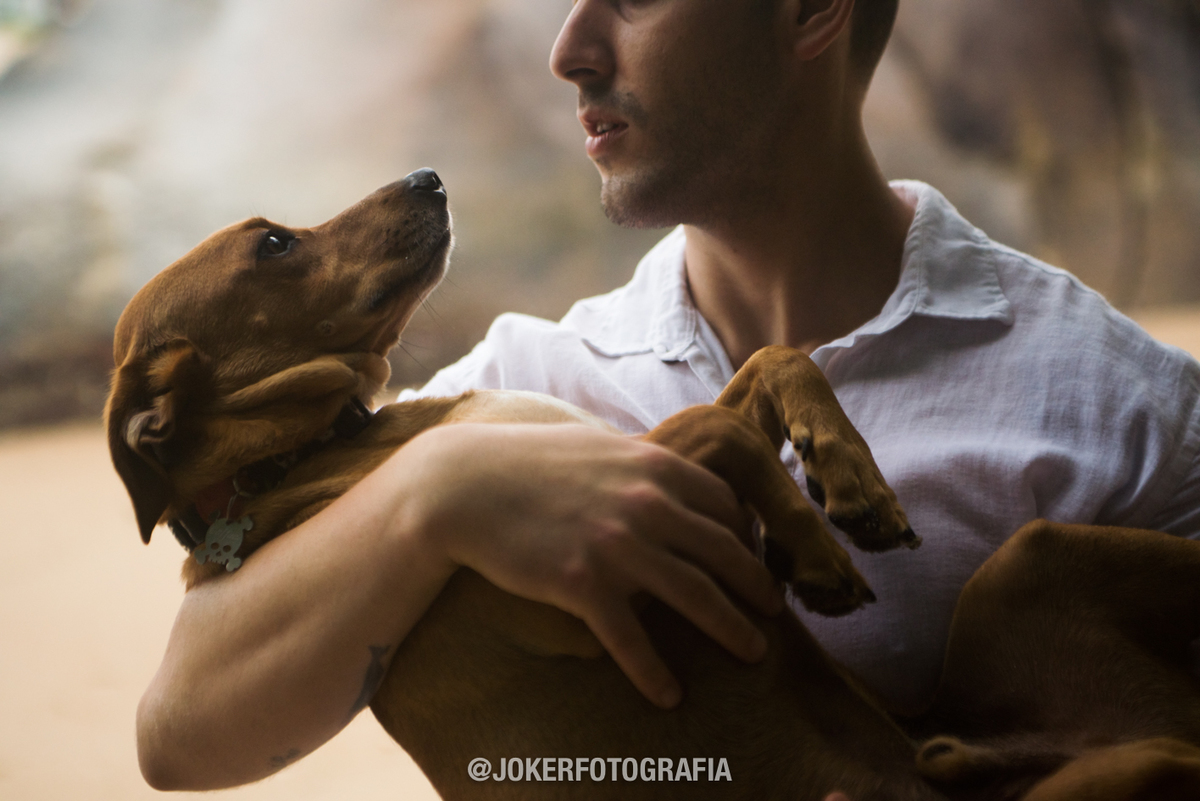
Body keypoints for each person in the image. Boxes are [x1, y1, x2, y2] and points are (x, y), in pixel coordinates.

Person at [135, 0, 1200, 791]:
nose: (569, 50)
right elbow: (178, 735)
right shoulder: (518, 389)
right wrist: (441, 490)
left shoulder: (1126, 409)